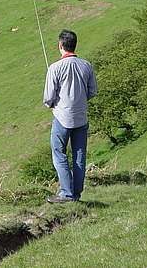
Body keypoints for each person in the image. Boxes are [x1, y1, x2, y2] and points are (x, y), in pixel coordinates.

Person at [43, 29, 97, 203]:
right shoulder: (86, 65)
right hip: (81, 117)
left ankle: (66, 193)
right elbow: (92, 91)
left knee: (59, 154)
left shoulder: (55, 68)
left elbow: (48, 98)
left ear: (60, 45)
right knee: (79, 156)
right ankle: (76, 193)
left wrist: (52, 105)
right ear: (75, 44)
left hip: (61, 118)